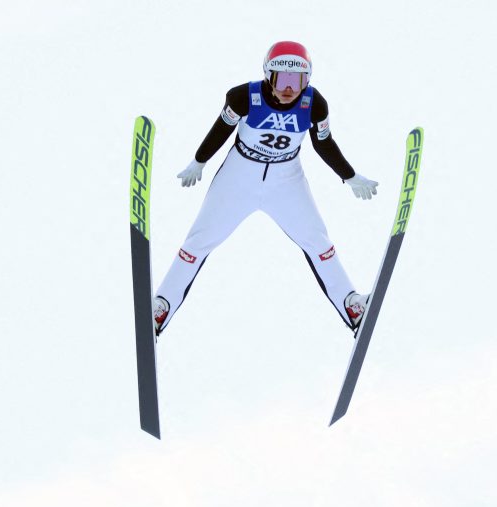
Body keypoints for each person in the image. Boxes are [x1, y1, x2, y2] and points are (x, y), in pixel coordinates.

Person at [152, 40, 378, 336]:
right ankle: (162, 306)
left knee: (319, 242)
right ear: (268, 76)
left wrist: (350, 176)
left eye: (298, 80)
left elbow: (324, 144)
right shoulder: (243, 97)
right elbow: (221, 129)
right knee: (198, 241)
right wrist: (199, 161)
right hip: (238, 177)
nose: (289, 88)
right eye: (281, 79)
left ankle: (351, 305)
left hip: (286, 181)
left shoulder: (315, 104)